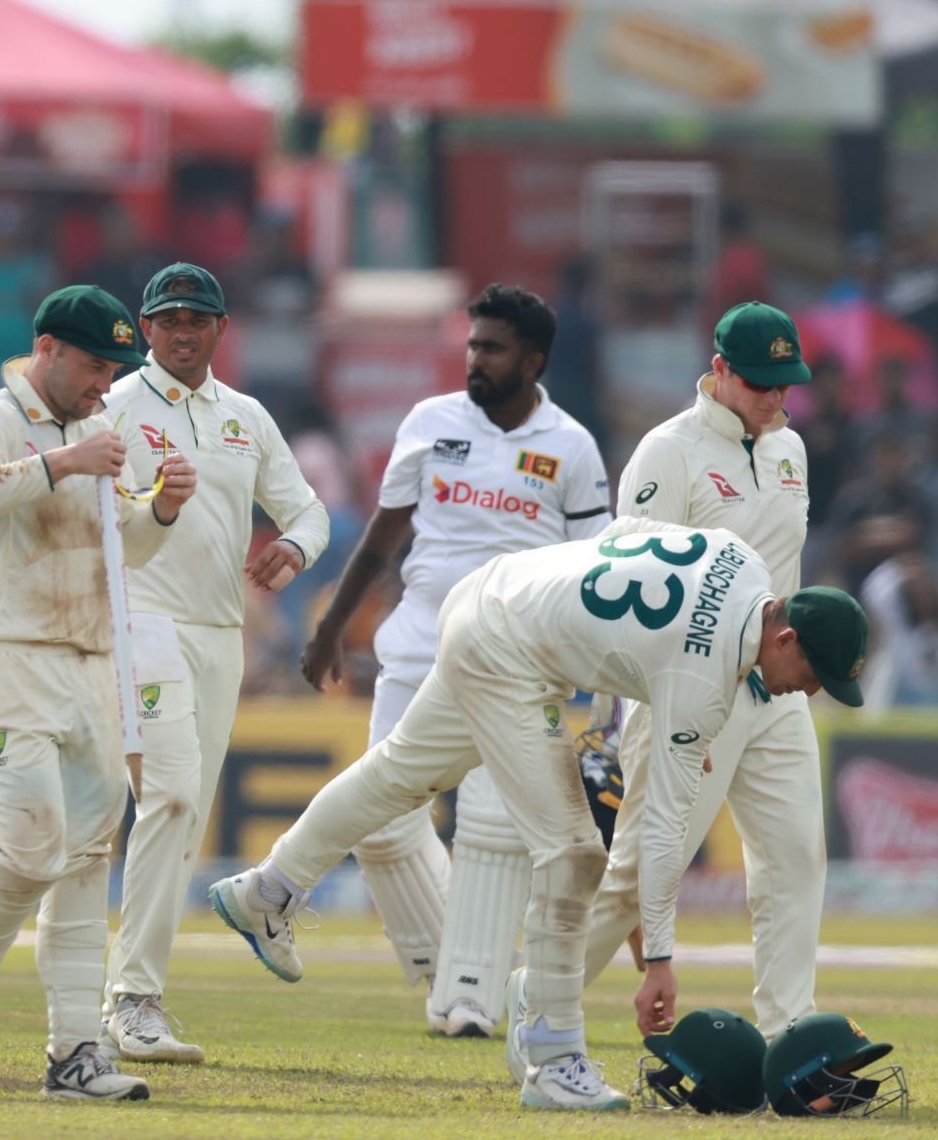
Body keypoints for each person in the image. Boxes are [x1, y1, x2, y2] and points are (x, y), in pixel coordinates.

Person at [213, 519, 868, 1111]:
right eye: (813, 677)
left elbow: (631, 539)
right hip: (512, 656)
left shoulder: (742, 557)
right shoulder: (705, 678)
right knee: (576, 854)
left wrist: (651, 722)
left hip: (490, 594)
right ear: (784, 638)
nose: (807, 694)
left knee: (399, 772)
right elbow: (665, 826)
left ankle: (268, 890)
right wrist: (661, 957)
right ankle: (554, 1057)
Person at [299, 284, 609, 1038]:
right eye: (472, 345)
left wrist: (602, 685)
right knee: (378, 824)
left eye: (493, 348)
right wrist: (333, 626)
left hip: (518, 659)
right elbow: (383, 533)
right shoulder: (430, 422)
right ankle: (455, 968)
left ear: (532, 360)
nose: (476, 359)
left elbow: (595, 569)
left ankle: (467, 994)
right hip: (416, 646)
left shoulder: (572, 446)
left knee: (491, 827)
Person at [0, 284, 195, 1101]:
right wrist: (61, 462)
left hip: (90, 663)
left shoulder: (100, 430)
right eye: (94, 365)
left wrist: (163, 511)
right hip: (4, 658)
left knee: (83, 858)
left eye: (114, 369)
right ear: (47, 348)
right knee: (34, 845)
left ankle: (74, 1053)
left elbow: (122, 552)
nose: (104, 384)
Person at [577, 302, 836, 1036]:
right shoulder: (669, 452)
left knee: (794, 860)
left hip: (778, 688)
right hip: (690, 694)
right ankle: (537, 1002)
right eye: (760, 382)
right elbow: (631, 588)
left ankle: (791, 1033)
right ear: (718, 371)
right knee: (636, 877)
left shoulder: (792, 450)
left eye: (786, 383)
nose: (776, 398)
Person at [97, 262, 329, 1062]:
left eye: (197, 320)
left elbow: (308, 509)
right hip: (139, 617)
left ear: (222, 330)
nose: (182, 332)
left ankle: (121, 992)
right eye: (168, 319)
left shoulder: (246, 417)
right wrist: (151, 504)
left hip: (218, 629)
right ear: (145, 327)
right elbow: (102, 522)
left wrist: (294, 548)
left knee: (181, 811)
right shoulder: (116, 406)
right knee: (167, 798)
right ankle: (134, 999)